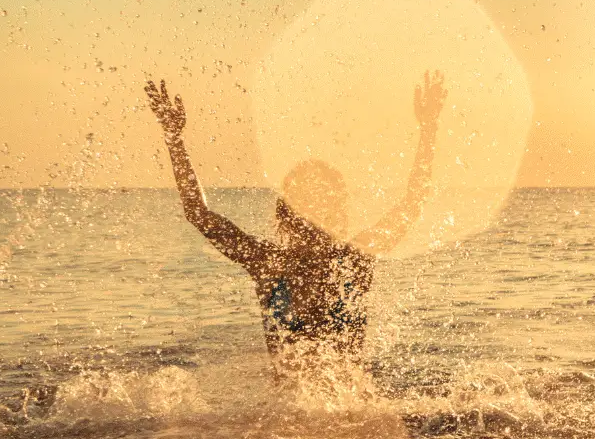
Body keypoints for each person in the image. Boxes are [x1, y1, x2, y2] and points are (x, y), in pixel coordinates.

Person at [144, 73, 447, 359]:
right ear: (287, 215)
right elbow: (198, 213)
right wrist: (174, 140)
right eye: (305, 207)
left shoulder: (351, 259)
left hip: (350, 407)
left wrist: (430, 130)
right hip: (303, 408)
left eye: (321, 207)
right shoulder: (269, 262)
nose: (313, 219)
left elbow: (413, 202)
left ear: (336, 211)